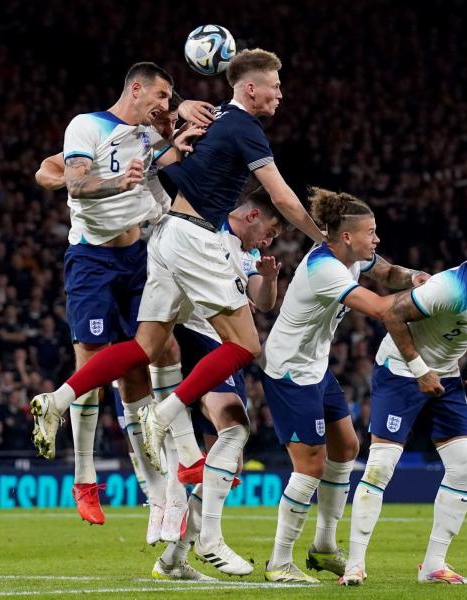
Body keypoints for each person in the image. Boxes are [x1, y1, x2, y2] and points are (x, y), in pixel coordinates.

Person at [30, 49, 325, 574]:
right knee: (246, 349)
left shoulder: (196, 129)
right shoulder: (241, 133)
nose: (280, 94)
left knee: (145, 350)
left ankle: (61, 399)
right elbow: (281, 196)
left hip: (159, 239)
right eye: (275, 86)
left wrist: (175, 122)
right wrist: (322, 239)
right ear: (252, 89)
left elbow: (173, 160)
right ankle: (162, 436)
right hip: (180, 245)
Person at [29, 64, 202, 535]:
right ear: (137, 88)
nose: (165, 103)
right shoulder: (88, 126)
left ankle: (158, 492)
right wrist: (115, 183)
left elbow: (179, 160)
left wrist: (179, 133)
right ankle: (85, 478)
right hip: (92, 261)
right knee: (91, 366)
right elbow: (74, 181)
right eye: (162, 95)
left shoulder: (145, 138)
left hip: (137, 259)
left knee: (149, 360)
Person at [340, 225, 467, 586]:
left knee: (464, 466)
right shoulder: (450, 288)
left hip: (445, 376)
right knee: (381, 466)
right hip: (400, 370)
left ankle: (434, 565)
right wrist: (420, 370)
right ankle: (355, 564)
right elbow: (393, 315)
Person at [259, 188, 426, 583]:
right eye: (371, 232)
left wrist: (415, 277)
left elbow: (386, 272)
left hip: (315, 367)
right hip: (289, 371)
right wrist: (435, 295)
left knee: (347, 447)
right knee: (311, 465)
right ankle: (279, 562)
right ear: (347, 237)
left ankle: (324, 546)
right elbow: (384, 308)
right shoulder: (325, 269)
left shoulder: (352, 257)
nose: (376, 239)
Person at [153, 187, 282, 580]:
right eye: (271, 231)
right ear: (252, 215)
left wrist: (271, 278)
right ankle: (210, 539)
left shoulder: (248, 253)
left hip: (225, 346)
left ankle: (173, 560)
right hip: (199, 337)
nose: (270, 240)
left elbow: (262, 301)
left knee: (229, 457)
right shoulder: (208, 233)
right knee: (234, 427)